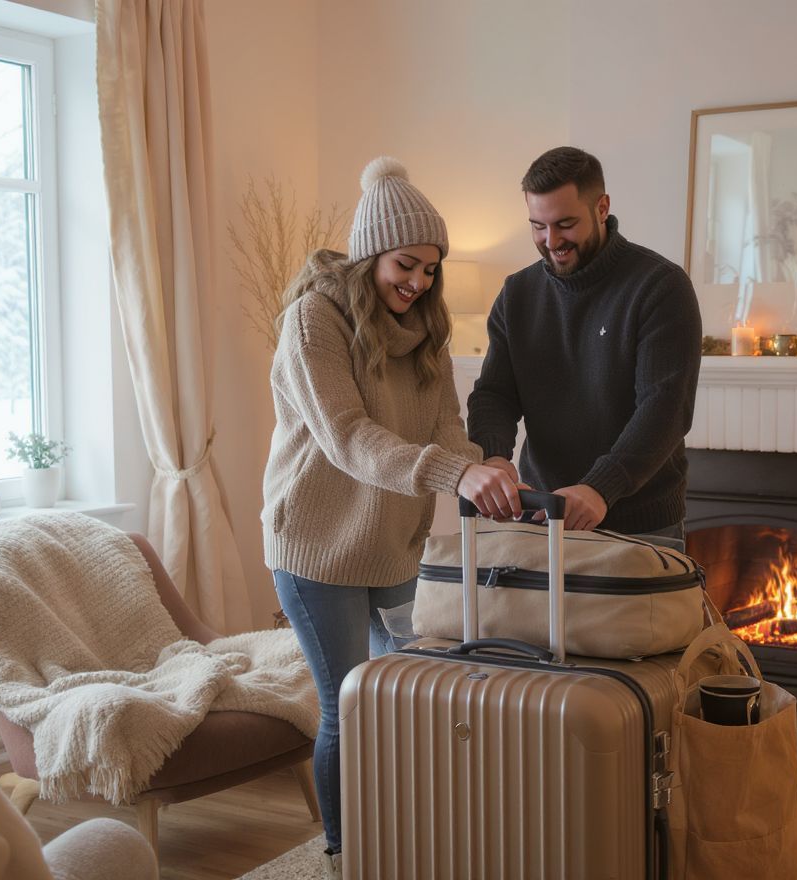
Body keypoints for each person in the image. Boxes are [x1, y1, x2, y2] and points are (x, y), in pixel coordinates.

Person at [262, 156, 522, 878]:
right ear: (371, 252)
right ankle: (349, 856)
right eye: (407, 265)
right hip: (318, 548)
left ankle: (407, 833)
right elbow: (349, 438)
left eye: (431, 269)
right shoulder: (312, 320)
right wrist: (454, 472)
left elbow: (445, 427)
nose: (419, 282)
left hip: (394, 544)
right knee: (349, 708)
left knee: (415, 698)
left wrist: (482, 464)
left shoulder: (427, 334)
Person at [467, 146, 702, 542]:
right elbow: (494, 393)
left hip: (642, 525)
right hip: (544, 517)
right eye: (538, 226)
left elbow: (665, 408)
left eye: (565, 224)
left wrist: (599, 487)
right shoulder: (517, 294)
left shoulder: (660, 286)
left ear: (602, 207)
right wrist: (493, 457)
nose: (551, 240)